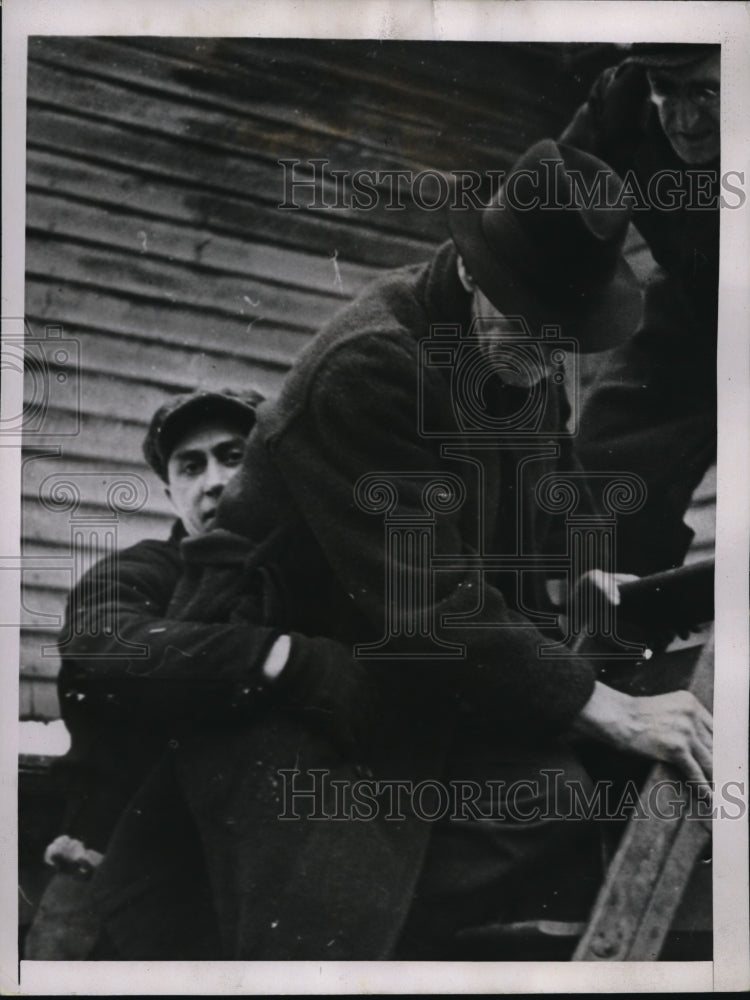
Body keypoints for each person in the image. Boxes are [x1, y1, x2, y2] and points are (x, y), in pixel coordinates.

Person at [89, 140, 712, 961]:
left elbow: (543, 519)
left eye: (560, 338)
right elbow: (429, 602)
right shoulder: (370, 366)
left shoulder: (520, 354)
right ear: (470, 270)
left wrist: (589, 580)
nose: (542, 357)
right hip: (287, 685)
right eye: (526, 325)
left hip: (410, 672)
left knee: (555, 796)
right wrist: (614, 708)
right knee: (329, 919)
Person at [24, 388, 370, 959]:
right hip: (105, 881)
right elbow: (106, 648)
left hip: (253, 884)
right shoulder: (143, 572)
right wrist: (283, 659)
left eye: (234, 456)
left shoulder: (315, 583)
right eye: (191, 466)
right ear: (170, 491)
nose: (214, 481)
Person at [560, 43, 720, 575]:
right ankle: (629, 619)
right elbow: (542, 215)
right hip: (698, 304)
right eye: (666, 90)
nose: (683, 119)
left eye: (705, 91)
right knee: (605, 462)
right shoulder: (624, 98)